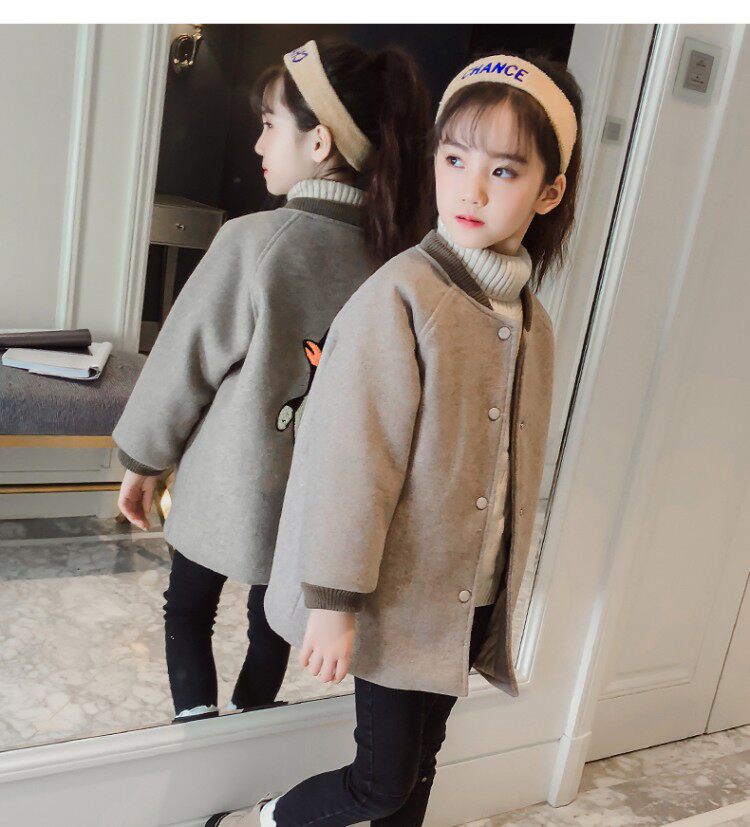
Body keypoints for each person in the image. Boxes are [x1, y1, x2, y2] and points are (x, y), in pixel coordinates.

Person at [207, 49, 584, 826]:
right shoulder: (402, 295)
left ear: (549, 191)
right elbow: (352, 462)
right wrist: (333, 600)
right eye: (454, 158)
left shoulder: (531, 322)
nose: (471, 188)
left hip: (466, 595)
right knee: (381, 780)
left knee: (422, 762)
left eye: (504, 170)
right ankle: (264, 819)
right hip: (393, 597)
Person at [113, 37, 431, 723]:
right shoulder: (396, 261)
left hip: (228, 485)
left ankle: (197, 733)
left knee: (188, 608)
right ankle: (250, 727)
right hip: (319, 501)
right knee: (273, 622)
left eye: (268, 125)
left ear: (319, 142)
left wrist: (142, 460)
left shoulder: (255, 240)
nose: (258, 144)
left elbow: (182, 363)